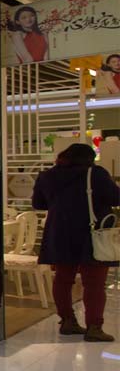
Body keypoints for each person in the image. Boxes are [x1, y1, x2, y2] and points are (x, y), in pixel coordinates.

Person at [31, 143, 118, 341]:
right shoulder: (95, 174)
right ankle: (94, 327)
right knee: (94, 282)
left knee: (63, 279)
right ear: (89, 158)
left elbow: (38, 204)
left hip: (59, 233)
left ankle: (67, 321)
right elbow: (116, 198)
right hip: (91, 234)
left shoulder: (47, 176)